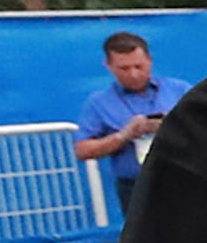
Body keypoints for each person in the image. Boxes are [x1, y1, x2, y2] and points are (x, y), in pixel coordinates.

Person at [72, 30, 186, 219]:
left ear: (150, 60)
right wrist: (124, 135)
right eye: (124, 69)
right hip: (135, 187)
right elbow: (82, 150)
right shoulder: (99, 103)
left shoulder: (178, 90)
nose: (133, 74)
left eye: (138, 66)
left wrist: (175, 125)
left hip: (183, 179)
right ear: (108, 66)